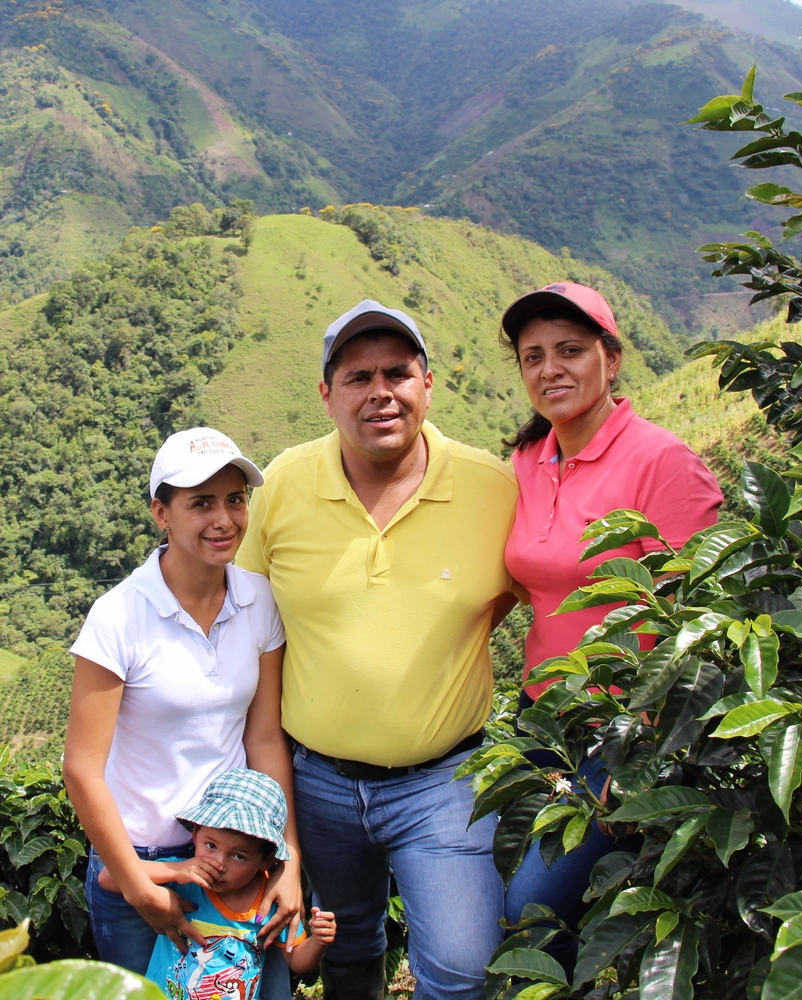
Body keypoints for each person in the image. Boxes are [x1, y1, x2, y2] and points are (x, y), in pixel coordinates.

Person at [237, 300, 521, 1000]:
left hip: (444, 781)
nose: (380, 392)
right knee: (347, 939)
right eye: (358, 376)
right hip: (317, 780)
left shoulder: (492, 487)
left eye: (398, 372)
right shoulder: (283, 487)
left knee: (459, 967)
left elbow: (521, 592)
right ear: (327, 395)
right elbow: (242, 623)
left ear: (428, 383)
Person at [499, 282, 723, 969]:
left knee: (532, 905)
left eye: (570, 351)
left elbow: (702, 618)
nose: (550, 369)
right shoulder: (527, 462)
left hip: (628, 732)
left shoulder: (661, 463)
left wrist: (647, 742)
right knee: (490, 890)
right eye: (533, 356)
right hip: (542, 720)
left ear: (612, 358)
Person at [63, 427, 302, 988]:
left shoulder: (257, 599)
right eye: (201, 503)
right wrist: (143, 888)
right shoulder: (119, 617)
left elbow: (263, 739)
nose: (224, 519)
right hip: (140, 859)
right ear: (161, 513)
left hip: (237, 859)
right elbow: (82, 768)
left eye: (235, 500)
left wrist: (287, 859)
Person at [97, 768, 338, 1000]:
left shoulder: (270, 901)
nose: (219, 864)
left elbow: (296, 960)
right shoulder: (185, 879)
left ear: (266, 860)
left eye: (238, 856)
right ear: (195, 834)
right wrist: (175, 870)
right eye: (211, 846)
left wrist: (317, 941)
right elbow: (108, 877)